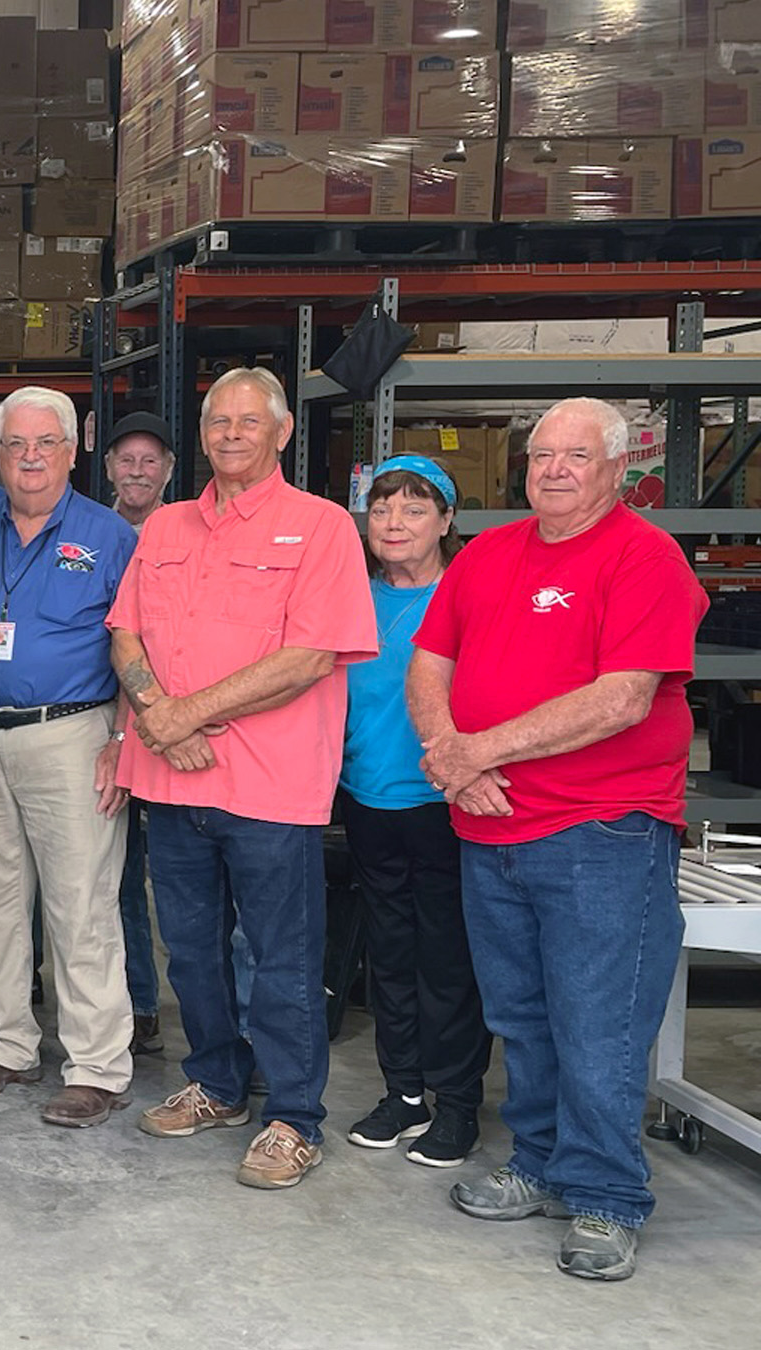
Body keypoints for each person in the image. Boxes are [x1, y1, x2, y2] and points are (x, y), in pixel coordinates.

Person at [413, 398, 706, 1282]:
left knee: (600, 1024)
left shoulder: (643, 557)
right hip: (489, 823)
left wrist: (478, 750)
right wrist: (453, 763)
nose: (554, 470)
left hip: (601, 829)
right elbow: (430, 665)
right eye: (543, 455)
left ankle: (607, 1197)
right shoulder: (490, 554)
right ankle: (539, 1163)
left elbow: (623, 698)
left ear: (618, 469)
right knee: (521, 1016)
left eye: (577, 456)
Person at [105, 366, 375, 1190]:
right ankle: (217, 1084)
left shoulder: (322, 528)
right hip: (171, 780)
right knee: (189, 951)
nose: (229, 434)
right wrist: (157, 712)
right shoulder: (169, 527)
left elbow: (309, 656)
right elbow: (125, 633)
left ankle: (294, 1116)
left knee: (283, 957)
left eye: (247, 422)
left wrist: (184, 716)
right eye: (217, 420)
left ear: (282, 433)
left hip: (269, 787)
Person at [0, 387, 141, 1128]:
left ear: (71, 451)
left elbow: (137, 644)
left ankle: (96, 1064)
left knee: (81, 901)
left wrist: (123, 740)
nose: (30, 458)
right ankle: (7, 1045)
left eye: (45, 443)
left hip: (72, 737)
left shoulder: (109, 535)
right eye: (15, 445)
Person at [337, 455, 491, 1167]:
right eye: (382, 509)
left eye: (414, 509)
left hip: (447, 805)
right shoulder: (350, 597)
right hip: (369, 799)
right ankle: (403, 1092)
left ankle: (458, 1103)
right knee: (390, 956)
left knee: (448, 960)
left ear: (447, 522)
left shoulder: (469, 596)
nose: (394, 522)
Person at [103, 410, 178, 1057]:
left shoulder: (186, 535)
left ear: (168, 471)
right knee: (119, 869)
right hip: (109, 718)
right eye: (125, 459)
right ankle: (139, 1002)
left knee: (183, 877)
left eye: (149, 460)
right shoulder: (94, 534)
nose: (136, 470)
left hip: (180, 719)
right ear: (108, 470)